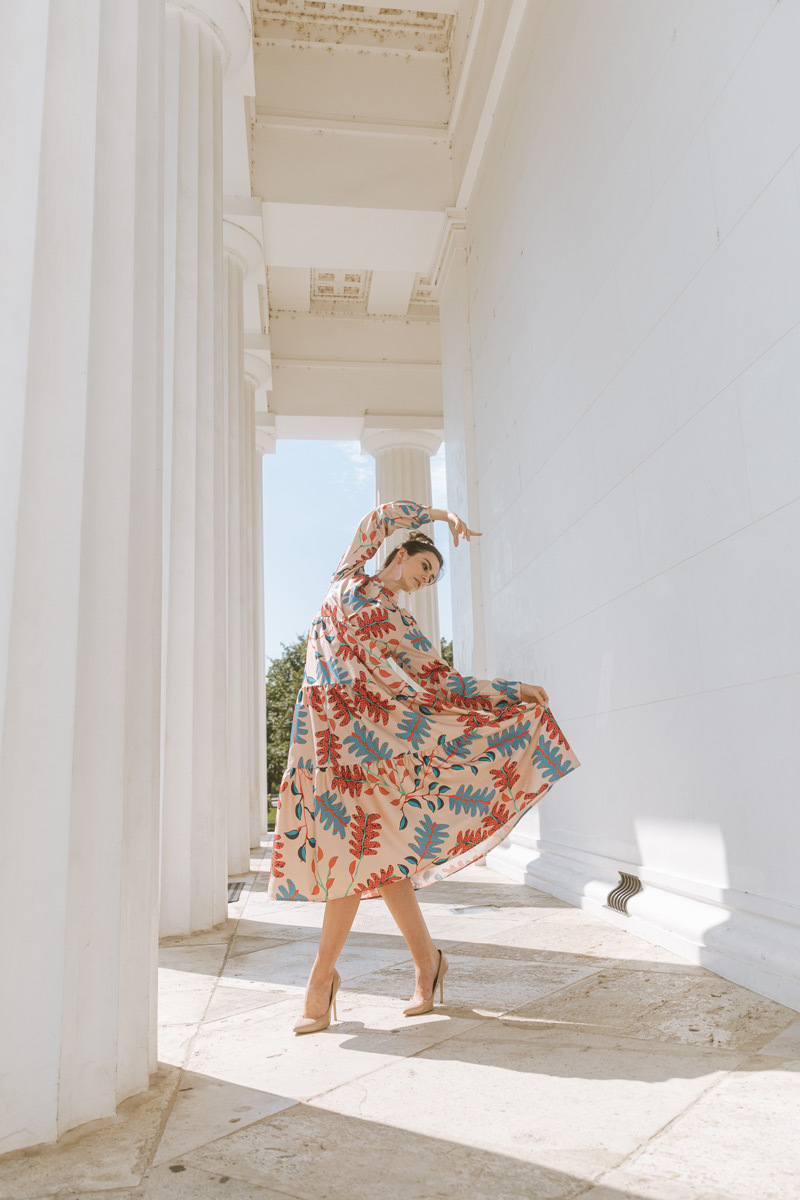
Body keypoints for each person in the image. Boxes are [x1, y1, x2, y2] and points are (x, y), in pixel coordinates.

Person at [267, 501, 580, 1033]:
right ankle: (427, 963)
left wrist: (511, 692)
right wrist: (440, 516)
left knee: (357, 856)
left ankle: (322, 982)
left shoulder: (400, 622)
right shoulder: (347, 576)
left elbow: (442, 681)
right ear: (401, 552)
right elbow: (377, 517)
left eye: (432, 578)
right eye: (424, 567)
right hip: (323, 737)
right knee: (383, 865)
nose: (424, 580)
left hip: (372, 748)